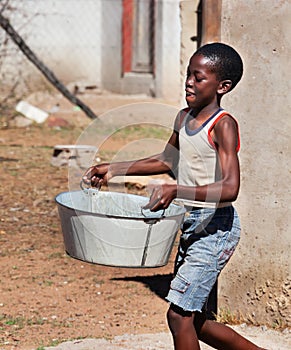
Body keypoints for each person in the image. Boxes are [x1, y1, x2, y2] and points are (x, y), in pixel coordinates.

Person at [83, 42, 266, 350]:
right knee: (196, 323)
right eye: (188, 75)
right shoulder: (183, 118)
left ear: (223, 86)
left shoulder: (223, 126)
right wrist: (115, 168)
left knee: (178, 316)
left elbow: (231, 187)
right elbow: (167, 160)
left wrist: (176, 189)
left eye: (199, 77)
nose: (189, 82)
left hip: (216, 228)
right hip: (193, 225)